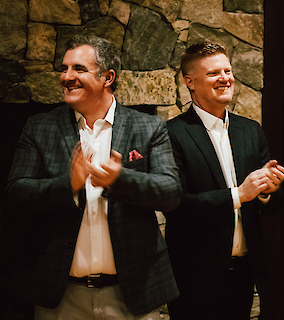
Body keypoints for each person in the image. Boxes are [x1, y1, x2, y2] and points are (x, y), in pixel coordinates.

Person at [4, 35, 181, 319]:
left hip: (133, 292)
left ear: (107, 77)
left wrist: (119, 180)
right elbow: (16, 194)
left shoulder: (149, 127)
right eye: (64, 68)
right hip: (60, 296)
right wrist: (69, 185)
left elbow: (170, 192)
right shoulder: (39, 127)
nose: (66, 77)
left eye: (78, 69)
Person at [164, 42, 284, 320]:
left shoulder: (250, 130)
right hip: (193, 275)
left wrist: (268, 190)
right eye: (213, 73)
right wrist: (238, 195)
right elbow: (176, 204)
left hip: (243, 272)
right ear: (190, 82)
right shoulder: (172, 133)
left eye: (227, 70)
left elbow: (273, 205)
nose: (225, 78)